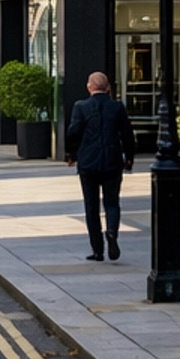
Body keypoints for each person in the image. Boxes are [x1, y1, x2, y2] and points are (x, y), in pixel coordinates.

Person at [64, 70, 135, 261]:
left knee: (91, 206)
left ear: (89, 87)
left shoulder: (81, 107)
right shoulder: (117, 107)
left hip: (88, 163)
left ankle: (97, 250)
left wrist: (71, 154)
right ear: (108, 88)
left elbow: (73, 132)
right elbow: (127, 134)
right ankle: (111, 231)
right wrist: (129, 157)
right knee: (112, 203)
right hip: (112, 162)